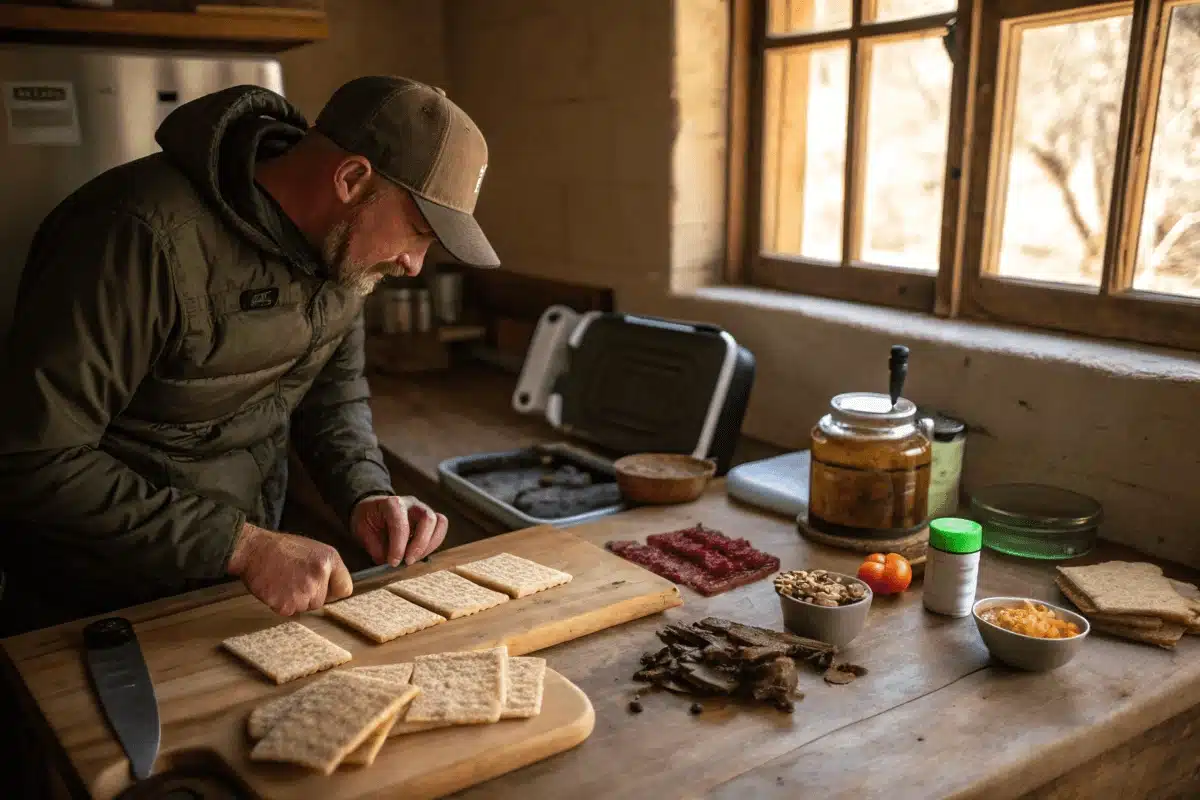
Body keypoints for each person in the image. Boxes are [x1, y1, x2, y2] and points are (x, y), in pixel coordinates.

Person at [0, 75, 500, 636]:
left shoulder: (347, 254)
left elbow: (332, 398)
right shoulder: (135, 235)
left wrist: (367, 491)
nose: (414, 265)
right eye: (417, 231)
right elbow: (31, 459)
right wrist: (240, 545)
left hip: (223, 583)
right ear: (352, 178)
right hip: (90, 601)